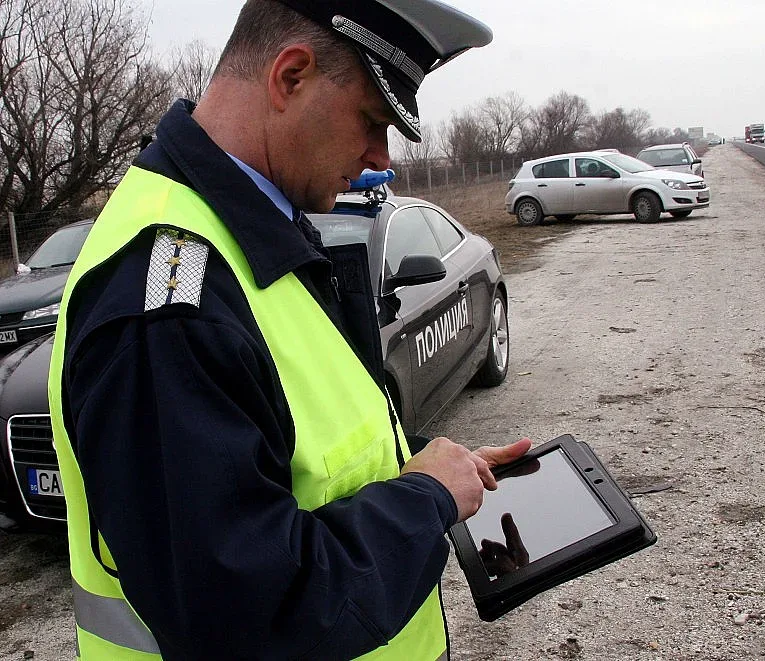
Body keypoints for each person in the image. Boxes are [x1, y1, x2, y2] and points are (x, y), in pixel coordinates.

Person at [47, 1, 531, 659]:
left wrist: (431, 466)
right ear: (291, 76)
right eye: (372, 121)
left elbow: (297, 450)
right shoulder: (170, 306)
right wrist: (426, 499)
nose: (380, 157)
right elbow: (245, 613)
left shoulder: (251, 229)